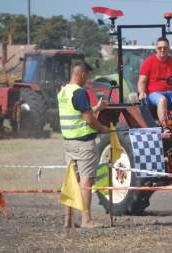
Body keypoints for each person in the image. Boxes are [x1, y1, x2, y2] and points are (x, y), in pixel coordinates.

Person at [57, 62, 109, 229]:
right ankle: (86, 220)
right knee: (86, 182)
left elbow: (77, 114)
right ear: (81, 74)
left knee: (71, 181)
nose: (88, 79)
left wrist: (96, 108)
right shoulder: (80, 92)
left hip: (68, 143)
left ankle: (68, 220)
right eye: (87, 75)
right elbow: (87, 119)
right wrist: (101, 128)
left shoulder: (64, 91)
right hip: (83, 143)